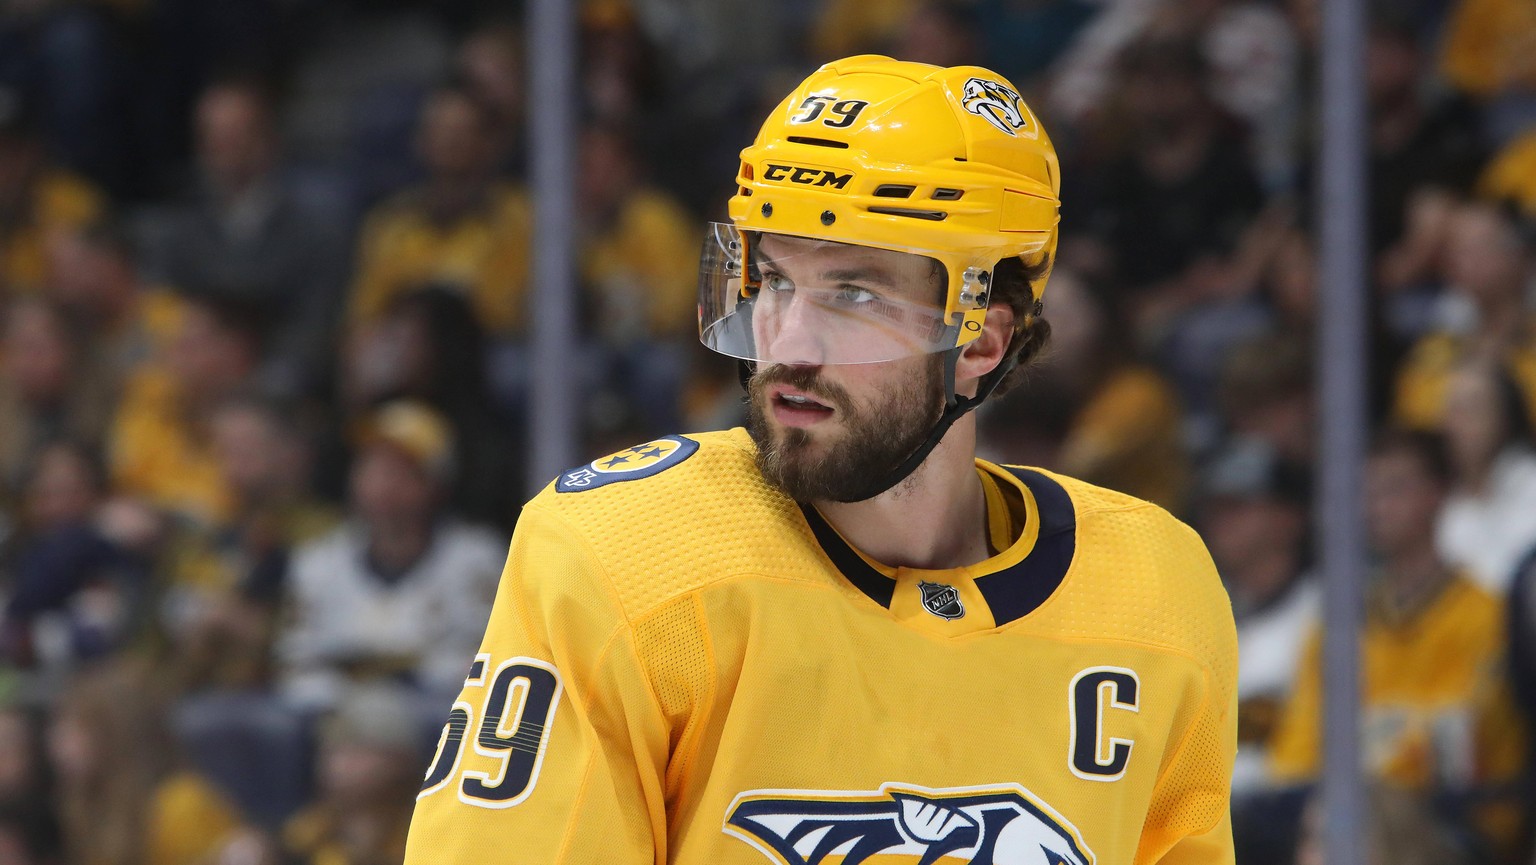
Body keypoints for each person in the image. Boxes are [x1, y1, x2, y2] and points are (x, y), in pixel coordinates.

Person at [404, 57, 1237, 864]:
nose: (789, 345)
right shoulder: (621, 553)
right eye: (773, 282)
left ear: (981, 341)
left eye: (855, 294)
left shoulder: (1157, 593)